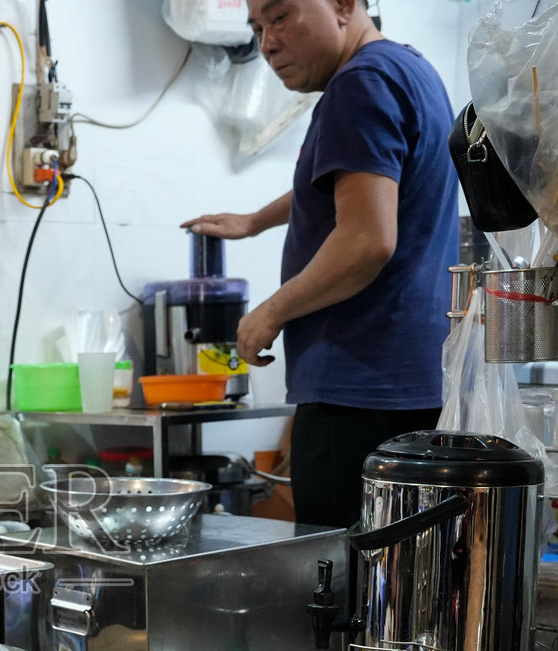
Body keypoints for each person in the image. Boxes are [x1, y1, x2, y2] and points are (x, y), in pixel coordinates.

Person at [183, 0, 459, 528]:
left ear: (343, 5)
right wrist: (255, 221)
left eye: (281, 16)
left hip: (356, 391)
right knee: (399, 569)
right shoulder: (408, 68)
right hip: (411, 382)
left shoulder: (359, 84)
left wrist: (270, 313)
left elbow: (366, 241)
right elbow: (359, 178)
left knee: (342, 570)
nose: (267, 44)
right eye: (257, 27)